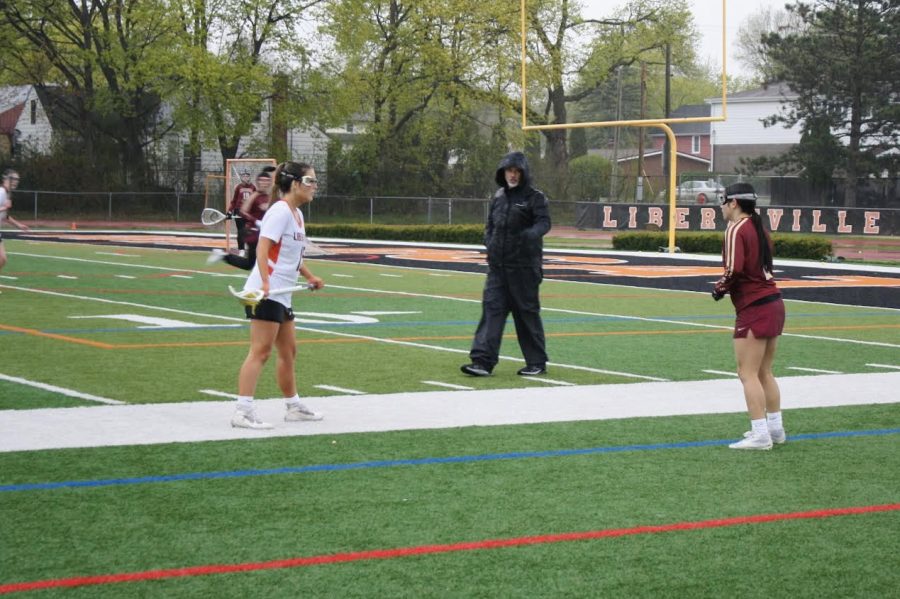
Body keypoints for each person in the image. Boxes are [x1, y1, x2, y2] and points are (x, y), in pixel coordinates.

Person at [231, 161, 325, 429]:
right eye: (310, 181)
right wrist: (265, 282)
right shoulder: (280, 211)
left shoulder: (297, 214)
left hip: (282, 294)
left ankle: (293, 406)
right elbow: (262, 249)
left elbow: (293, 254)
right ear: (294, 183)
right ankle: (243, 411)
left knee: (288, 351)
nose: (314, 186)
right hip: (266, 292)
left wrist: (309, 276)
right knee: (260, 352)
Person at [460, 151, 551, 377]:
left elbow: (544, 223)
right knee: (492, 312)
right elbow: (490, 226)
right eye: (509, 170)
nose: (513, 175)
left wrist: (531, 235)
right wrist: (488, 242)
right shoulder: (499, 196)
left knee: (526, 315)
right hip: (498, 269)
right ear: (503, 172)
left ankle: (537, 362)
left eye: (517, 171)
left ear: (524, 173)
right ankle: (482, 362)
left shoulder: (535, 197)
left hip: (524, 269)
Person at [713, 182, 786, 450]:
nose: (720, 206)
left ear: (733, 203)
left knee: (747, 373)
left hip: (754, 306)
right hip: (774, 302)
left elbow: (734, 269)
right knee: (765, 371)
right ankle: (775, 429)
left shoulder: (736, 228)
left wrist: (719, 288)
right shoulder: (760, 228)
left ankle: (760, 433)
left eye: (723, 200)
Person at [208, 168, 274, 270]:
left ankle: (223, 256)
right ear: (258, 182)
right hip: (252, 233)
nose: (264, 183)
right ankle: (224, 256)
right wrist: (255, 221)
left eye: (266, 181)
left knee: (251, 264)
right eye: (262, 180)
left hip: (262, 233)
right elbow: (242, 211)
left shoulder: (268, 197)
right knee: (257, 262)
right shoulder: (254, 195)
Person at [0, 169, 31, 276]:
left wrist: (18, 225)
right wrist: (4, 207)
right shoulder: (1, 192)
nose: (15, 181)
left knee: (2, 259)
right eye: (13, 179)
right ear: (5, 178)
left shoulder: (7, 194)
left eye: (17, 179)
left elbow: (4, 216)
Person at [228, 170, 256, 255]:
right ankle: (241, 250)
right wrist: (230, 211)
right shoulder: (238, 187)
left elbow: (255, 200)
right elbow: (234, 200)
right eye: (243, 176)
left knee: (249, 230)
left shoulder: (253, 187)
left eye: (247, 176)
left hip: (249, 212)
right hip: (238, 211)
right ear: (241, 177)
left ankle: (251, 249)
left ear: (249, 177)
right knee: (240, 231)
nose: (245, 178)